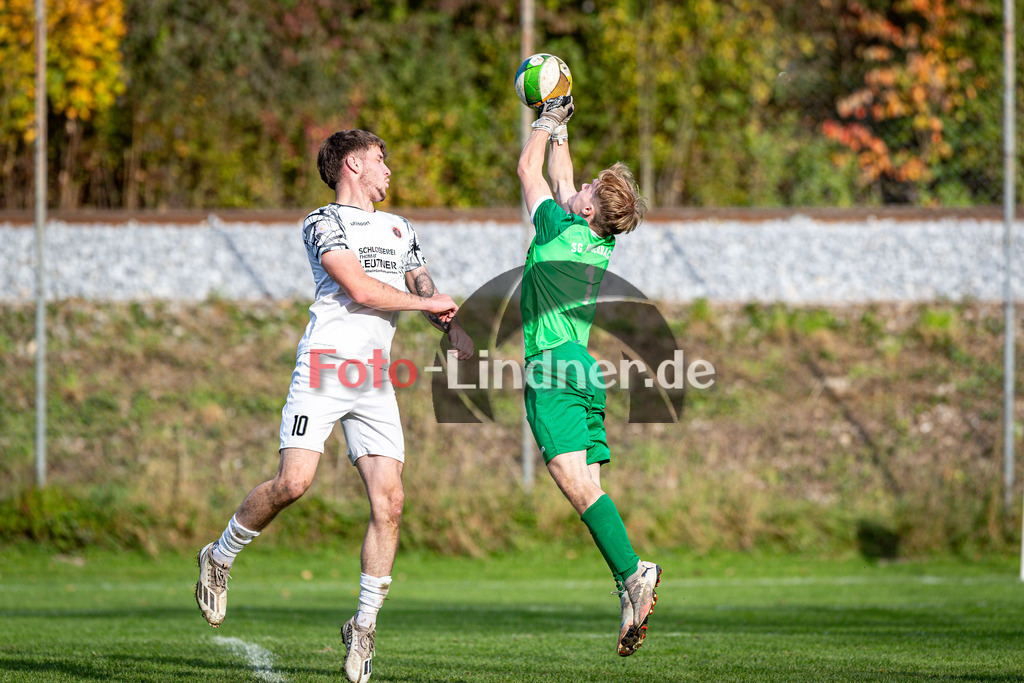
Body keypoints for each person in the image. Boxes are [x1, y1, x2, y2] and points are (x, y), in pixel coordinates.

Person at [195, 129, 473, 683]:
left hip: (373, 378)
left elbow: (420, 280)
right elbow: (361, 290)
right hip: (323, 367)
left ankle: (363, 629)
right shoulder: (322, 221)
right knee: (293, 484)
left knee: (389, 502)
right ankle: (220, 556)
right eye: (380, 159)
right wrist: (425, 300)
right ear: (352, 164)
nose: (388, 169)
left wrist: (447, 319)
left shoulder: (401, 228)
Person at [516, 96, 660, 657]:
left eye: (589, 190)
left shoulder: (554, 227)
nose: (578, 188)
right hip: (584, 367)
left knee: (574, 486)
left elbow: (529, 172)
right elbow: (562, 175)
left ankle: (634, 571)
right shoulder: (597, 241)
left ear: (588, 209)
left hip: (550, 367)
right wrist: (564, 130)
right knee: (592, 488)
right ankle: (628, 593)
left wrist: (544, 123)